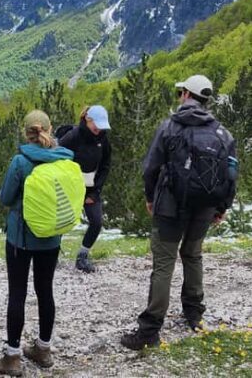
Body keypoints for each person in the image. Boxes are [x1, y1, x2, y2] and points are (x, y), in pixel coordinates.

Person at [120, 75, 237, 350]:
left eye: (181, 92)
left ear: (186, 94)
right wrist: (221, 207)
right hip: (204, 208)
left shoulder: (170, 127)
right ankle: (194, 314)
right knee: (193, 255)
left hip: (170, 207)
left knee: (164, 263)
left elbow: (150, 168)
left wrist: (150, 198)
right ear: (205, 100)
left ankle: (150, 330)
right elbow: (231, 174)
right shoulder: (223, 133)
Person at [0, 110, 75, 377]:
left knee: (17, 293)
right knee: (45, 291)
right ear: (50, 130)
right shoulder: (62, 158)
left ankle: (13, 356)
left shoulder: (20, 161)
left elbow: (5, 198)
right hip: (51, 238)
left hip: (21, 238)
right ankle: (43, 348)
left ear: (25, 132)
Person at [57, 105, 111, 273]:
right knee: (59, 221)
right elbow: (57, 161)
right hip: (68, 186)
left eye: (102, 125)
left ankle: (82, 256)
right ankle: (51, 254)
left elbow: (105, 166)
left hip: (90, 188)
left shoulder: (103, 139)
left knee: (96, 222)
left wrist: (95, 192)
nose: (99, 129)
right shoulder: (72, 137)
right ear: (88, 120)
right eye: (97, 124)